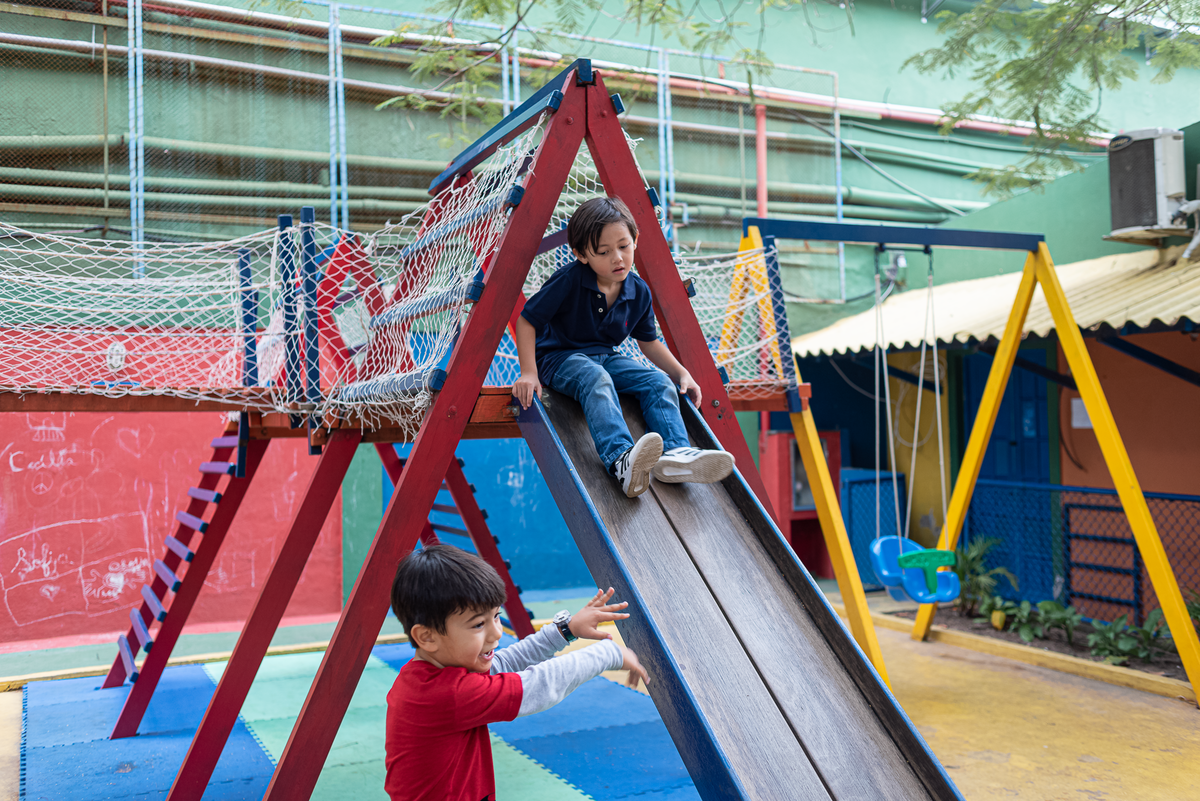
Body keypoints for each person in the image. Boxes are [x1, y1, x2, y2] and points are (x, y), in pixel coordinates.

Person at [385, 544, 649, 801]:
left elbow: (504, 664)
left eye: (496, 616)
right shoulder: (446, 695)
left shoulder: (428, 674)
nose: (497, 632)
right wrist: (607, 654)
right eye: (478, 624)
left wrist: (566, 630)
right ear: (427, 636)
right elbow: (538, 686)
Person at [513, 196, 734, 498]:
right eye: (603, 252)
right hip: (559, 359)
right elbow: (527, 321)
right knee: (596, 378)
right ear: (581, 254)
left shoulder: (638, 291)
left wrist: (681, 372)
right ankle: (621, 460)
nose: (617, 257)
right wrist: (528, 372)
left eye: (623, 246)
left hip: (605, 357)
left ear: (635, 241)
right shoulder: (569, 280)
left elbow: (649, 342)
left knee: (657, 382)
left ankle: (676, 455)